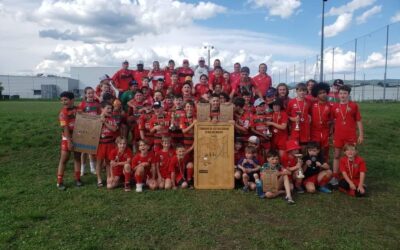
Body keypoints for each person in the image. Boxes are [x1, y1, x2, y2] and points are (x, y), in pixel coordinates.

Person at [331, 85, 364, 187]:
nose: (343, 95)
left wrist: (361, 135)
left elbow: (358, 120)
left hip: (350, 136)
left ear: (348, 94)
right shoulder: (335, 106)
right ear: (338, 95)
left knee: (351, 156)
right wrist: (331, 135)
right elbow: (333, 122)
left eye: (345, 93)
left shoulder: (354, 106)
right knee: (336, 155)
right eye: (341, 93)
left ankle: (353, 176)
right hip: (338, 136)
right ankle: (335, 176)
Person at [56, 91, 82, 190]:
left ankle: (78, 179)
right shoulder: (62, 113)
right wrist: (69, 141)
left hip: (78, 137)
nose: (63, 102)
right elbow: (65, 127)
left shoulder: (79, 109)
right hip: (67, 138)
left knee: (77, 158)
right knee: (64, 159)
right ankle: (59, 182)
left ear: (72, 100)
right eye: (62, 100)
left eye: (65, 100)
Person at [78, 87, 100, 176]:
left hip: (94, 128)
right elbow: (79, 115)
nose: (91, 95)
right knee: (83, 150)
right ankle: (82, 169)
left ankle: (92, 168)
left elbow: (99, 115)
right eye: (89, 93)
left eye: (92, 93)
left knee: (91, 149)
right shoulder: (82, 104)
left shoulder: (97, 104)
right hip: (85, 129)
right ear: (86, 94)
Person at [96, 101, 118, 187]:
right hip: (100, 143)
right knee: (99, 162)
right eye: (108, 108)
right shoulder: (96, 118)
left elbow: (114, 129)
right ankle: (99, 178)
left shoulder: (112, 119)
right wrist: (101, 120)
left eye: (111, 109)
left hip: (110, 143)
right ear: (102, 109)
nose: (110, 110)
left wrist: (105, 122)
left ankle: (109, 177)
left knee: (109, 161)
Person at [310, 82, 332, 161]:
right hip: (314, 131)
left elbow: (332, 120)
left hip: (325, 131)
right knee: (315, 150)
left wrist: (331, 130)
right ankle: (314, 167)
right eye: (320, 93)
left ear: (327, 92)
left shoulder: (330, 105)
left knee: (325, 150)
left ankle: (325, 165)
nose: (323, 94)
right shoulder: (312, 104)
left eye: (324, 92)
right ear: (316, 94)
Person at [287, 83, 311, 147]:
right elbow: (287, 115)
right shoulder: (291, 102)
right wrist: (292, 119)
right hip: (295, 129)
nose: (302, 92)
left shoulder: (309, 101)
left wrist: (309, 117)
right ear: (296, 91)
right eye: (300, 91)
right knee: (295, 148)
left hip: (305, 129)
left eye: (304, 90)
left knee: (303, 148)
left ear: (306, 91)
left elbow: (310, 113)